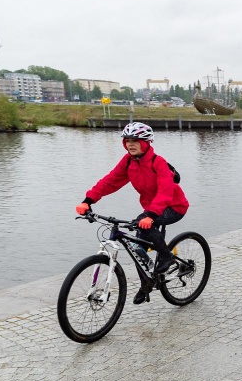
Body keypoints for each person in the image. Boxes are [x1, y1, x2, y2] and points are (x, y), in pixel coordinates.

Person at [76, 122, 189, 305]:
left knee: (143, 224)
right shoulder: (128, 161)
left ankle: (167, 256)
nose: (131, 144)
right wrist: (88, 200)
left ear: (146, 142)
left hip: (173, 207)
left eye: (136, 140)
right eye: (127, 140)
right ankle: (147, 284)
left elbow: (165, 192)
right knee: (138, 248)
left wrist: (151, 215)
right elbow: (110, 181)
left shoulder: (157, 162)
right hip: (150, 209)